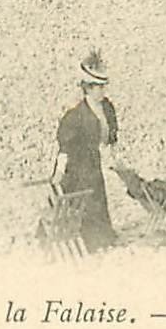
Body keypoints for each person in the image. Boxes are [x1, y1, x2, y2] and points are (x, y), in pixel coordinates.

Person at [50, 52, 119, 252]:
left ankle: (101, 238)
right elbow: (65, 148)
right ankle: (84, 239)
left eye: (104, 87)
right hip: (76, 165)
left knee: (97, 197)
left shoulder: (107, 108)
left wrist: (116, 160)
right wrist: (59, 171)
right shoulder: (75, 115)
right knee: (81, 200)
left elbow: (110, 138)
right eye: (98, 87)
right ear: (88, 88)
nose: (102, 91)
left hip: (93, 162)